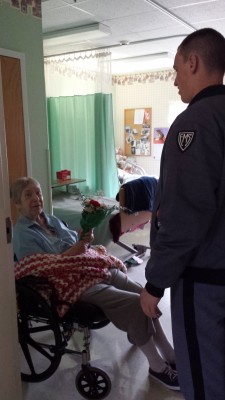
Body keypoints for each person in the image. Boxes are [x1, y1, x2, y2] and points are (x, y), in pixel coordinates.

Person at [11, 176, 179, 391]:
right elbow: (39, 267)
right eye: (28, 195)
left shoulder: (50, 219)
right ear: (17, 203)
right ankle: (157, 367)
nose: (36, 198)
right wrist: (74, 252)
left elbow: (73, 240)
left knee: (144, 294)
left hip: (89, 267)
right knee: (136, 304)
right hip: (68, 282)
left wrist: (83, 238)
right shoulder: (21, 234)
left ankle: (168, 353)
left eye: (38, 193)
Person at [140, 28, 225, 400]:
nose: (175, 81)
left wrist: (155, 283)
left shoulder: (194, 122)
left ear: (193, 63)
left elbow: (183, 215)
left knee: (206, 377)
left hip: (204, 279)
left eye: (177, 69)